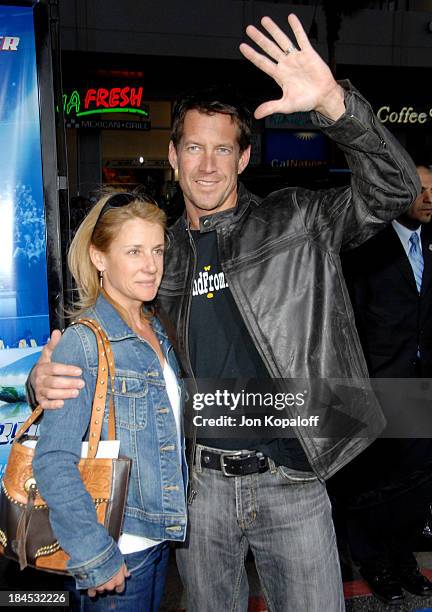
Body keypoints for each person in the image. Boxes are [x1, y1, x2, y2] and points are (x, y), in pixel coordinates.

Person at [28, 14, 420, 612]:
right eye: (193, 147)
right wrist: (46, 375)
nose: (207, 165)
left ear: (242, 159)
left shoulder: (295, 221)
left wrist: (337, 105)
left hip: (292, 478)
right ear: (173, 155)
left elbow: (393, 192)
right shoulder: (161, 254)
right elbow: (108, 331)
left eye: (221, 150)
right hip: (197, 486)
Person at [32, 192, 188, 611]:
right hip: (116, 550)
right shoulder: (84, 342)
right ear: (99, 258)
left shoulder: (155, 327)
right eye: (134, 251)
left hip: (156, 543)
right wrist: (95, 555)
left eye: (156, 250)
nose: (151, 265)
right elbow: (52, 460)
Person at [334, 164, 432, 605]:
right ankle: (373, 563)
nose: (429, 198)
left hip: (421, 383)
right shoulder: (367, 245)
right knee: (373, 483)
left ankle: (402, 557)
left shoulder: (430, 242)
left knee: (416, 482)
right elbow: (349, 319)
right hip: (377, 384)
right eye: (421, 190)